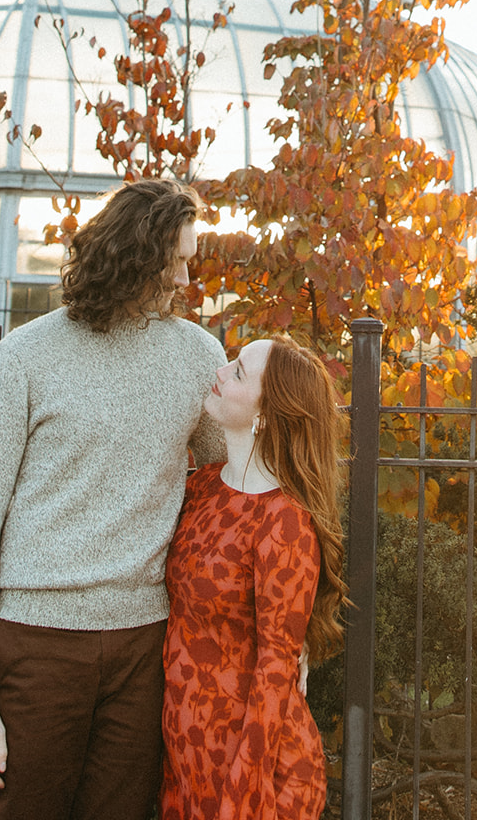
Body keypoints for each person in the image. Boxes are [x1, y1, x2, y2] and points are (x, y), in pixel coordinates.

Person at [0, 177, 225, 820]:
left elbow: (228, 489)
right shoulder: (26, 355)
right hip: (37, 644)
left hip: (146, 648)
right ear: (138, 253)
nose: (188, 277)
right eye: (179, 259)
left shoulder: (197, 356)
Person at [160, 335, 346, 820]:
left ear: (266, 415)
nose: (221, 372)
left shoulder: (283, 521)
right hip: (188, 756)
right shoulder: (202, 486)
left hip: (254, 772)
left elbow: (274, 672)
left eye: (239, 371)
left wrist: (242, 798)